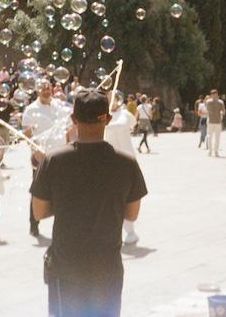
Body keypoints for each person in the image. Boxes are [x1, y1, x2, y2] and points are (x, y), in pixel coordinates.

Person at [31, 89, 147, 317]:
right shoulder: (127, 163)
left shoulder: (54, 160)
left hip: (66, 266)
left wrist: (64, 201)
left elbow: (39, 212)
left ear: (74, 119)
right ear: (107, 119)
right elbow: (132, 214)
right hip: (107, 267)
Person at [22, 87, 69, 238]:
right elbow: (27, 133)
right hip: (41, 156)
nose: (46, 91)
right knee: (38, 191)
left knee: (62, 192)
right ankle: (34, 224)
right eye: (42, 89)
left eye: (48, 88)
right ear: (37, 91)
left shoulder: (59, 106)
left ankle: (61, 225)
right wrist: (35, 149)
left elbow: (68, 128)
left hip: (61, 155)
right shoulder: (31, 109)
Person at [104, 96, 140, 245]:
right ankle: (114, 231)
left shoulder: (124, 113)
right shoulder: (105, 116)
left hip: (125, 161)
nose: (111, 101)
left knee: (125, 198)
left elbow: (123, 125)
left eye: (113, 99)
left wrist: (103, 125)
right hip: (109, 161)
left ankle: (130, 231)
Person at [204, 90, 225, 157]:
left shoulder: (220, 102)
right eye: (213, 95)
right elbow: (206, 109)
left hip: (218, 122)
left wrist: (222, 113)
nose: (215, 96)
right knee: (210, 137)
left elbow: (223, 111)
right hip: (210, 121)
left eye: (216, 95)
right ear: (211, 95)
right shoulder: (209, 102)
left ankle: (215, 151)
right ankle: (210, 151)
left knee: (217, 137)